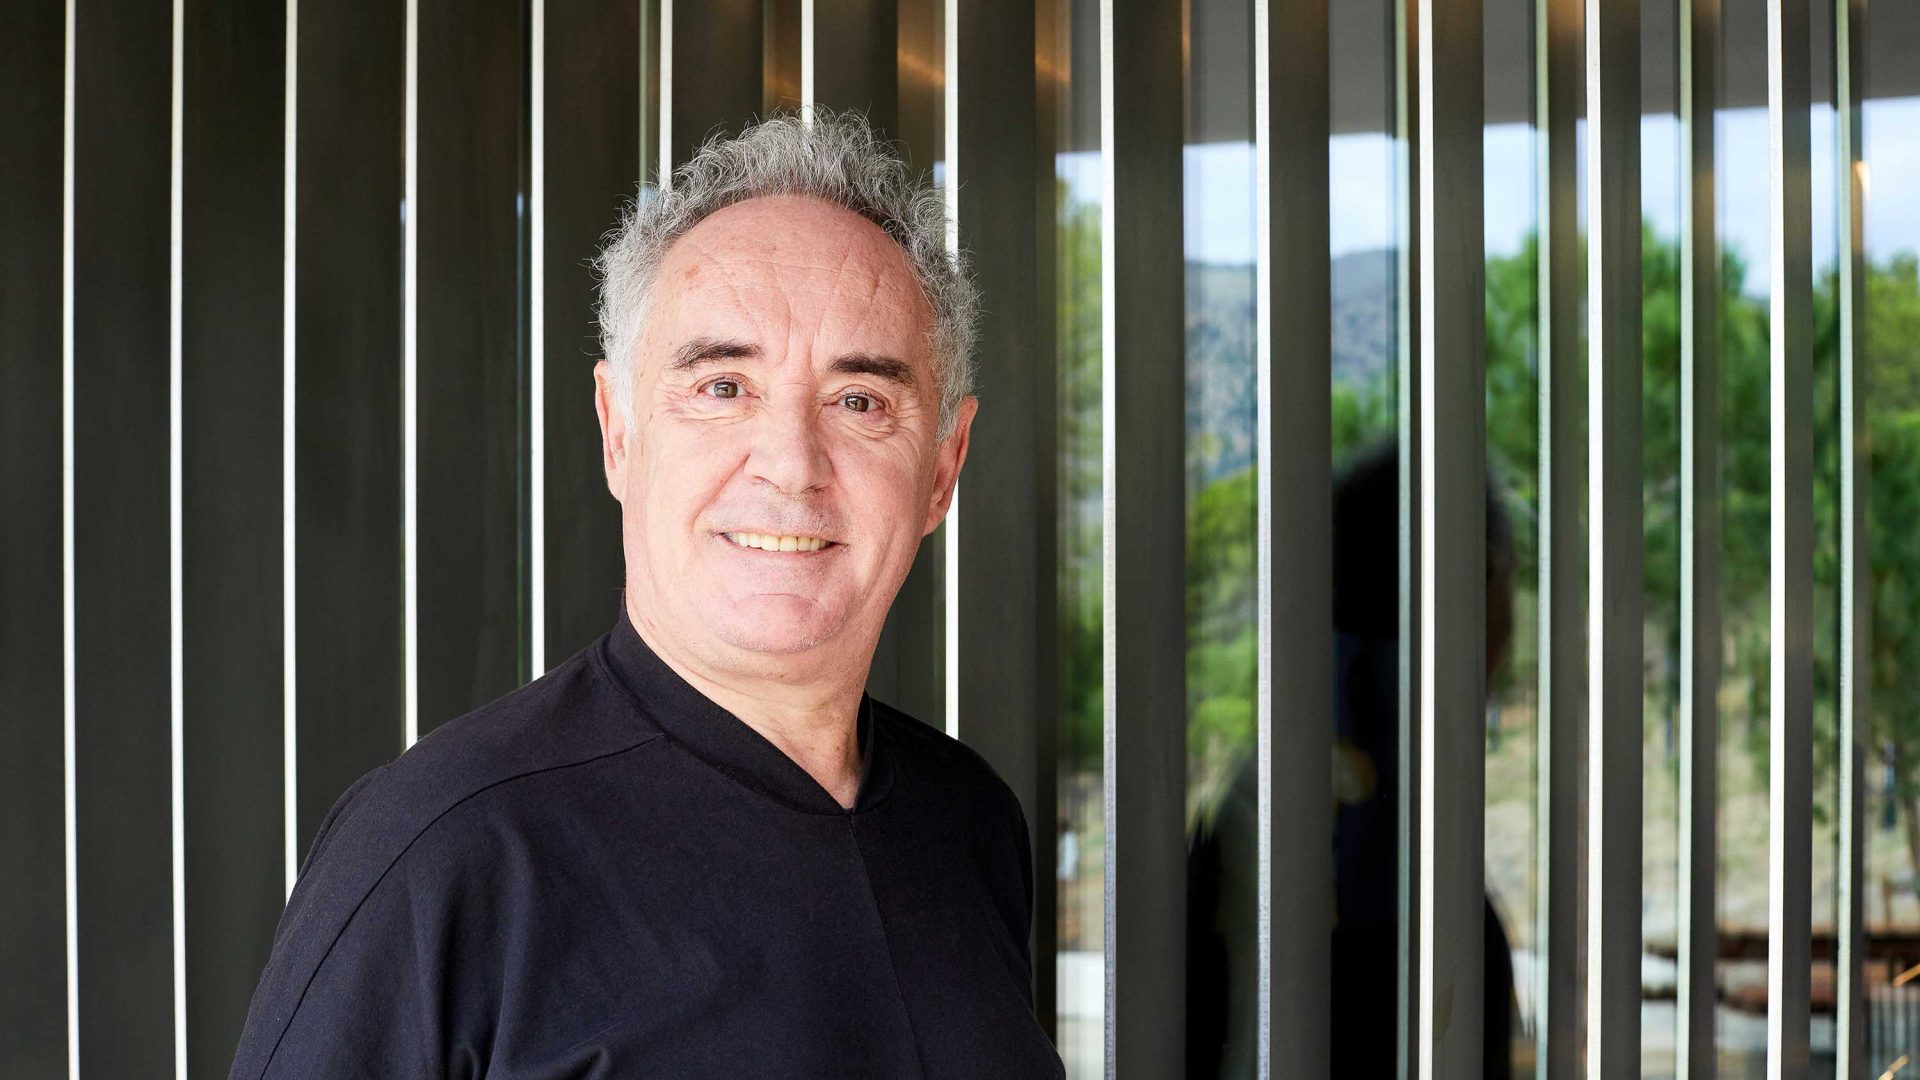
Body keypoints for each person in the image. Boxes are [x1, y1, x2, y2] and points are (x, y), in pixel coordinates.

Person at [228, 111, 1064, 1079]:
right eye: (722, 388)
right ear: (617, 431)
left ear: (944, 468)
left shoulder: (969, 827)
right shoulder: (447, 853)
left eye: (859, 401)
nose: (791, 467)